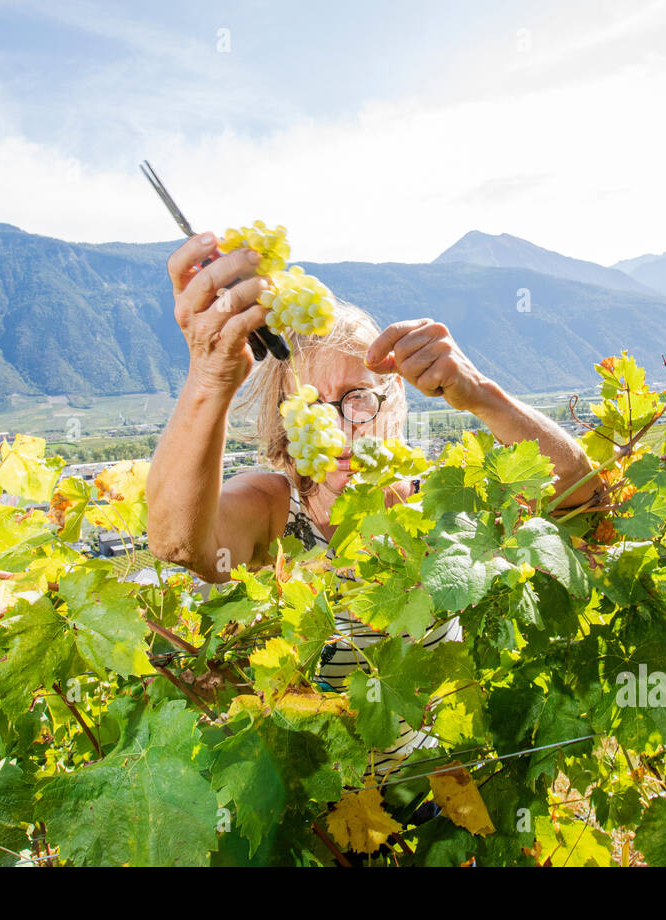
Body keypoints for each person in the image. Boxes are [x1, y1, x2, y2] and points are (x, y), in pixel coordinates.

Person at [146, 232, 601, 776]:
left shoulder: (438, 502)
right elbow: (178, 543)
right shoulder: (272, 509)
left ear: (394, 405)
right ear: (285, 417)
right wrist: (210, 377)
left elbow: (585, 505)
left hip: (440, 795)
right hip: (320, 812)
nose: (343, 430)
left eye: (359, 399)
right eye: (314, 406)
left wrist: (476, 390)